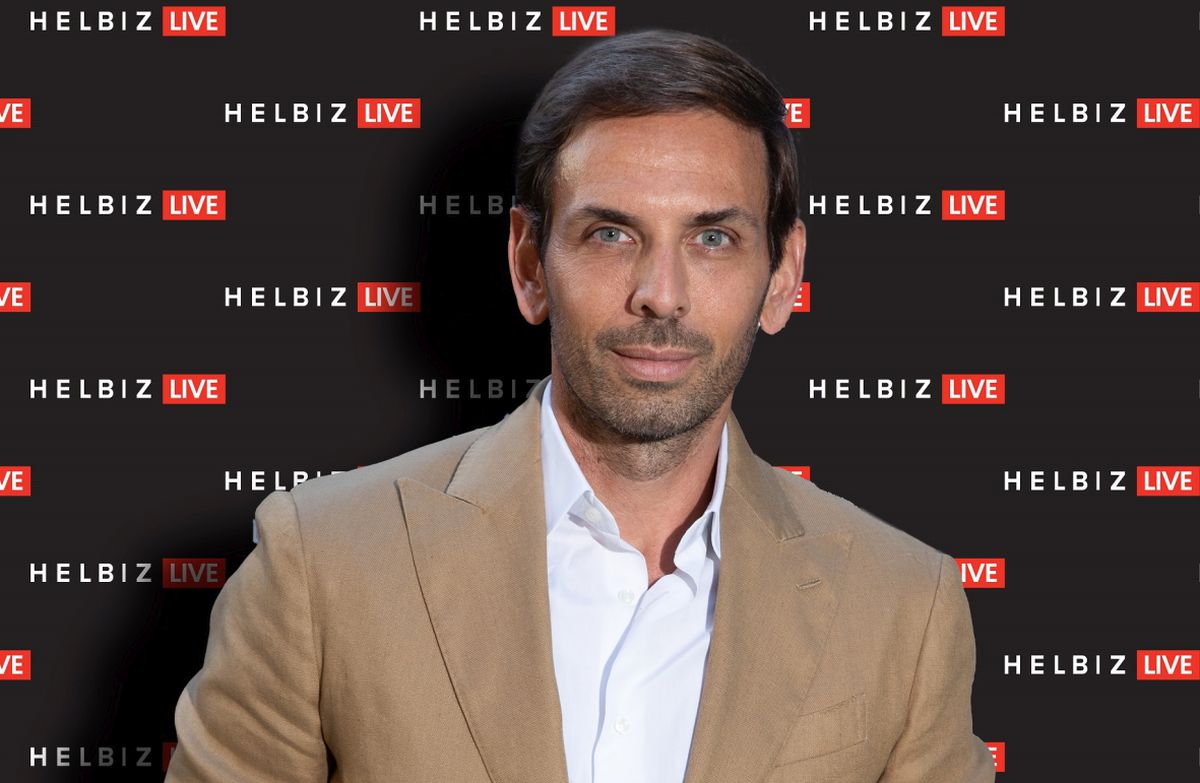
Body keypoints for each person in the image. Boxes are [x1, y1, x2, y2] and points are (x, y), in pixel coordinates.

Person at [166, 28, 995, 783]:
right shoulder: (321, 564)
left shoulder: (903, 606)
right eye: (611, 234)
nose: (661, 294)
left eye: (713, 238)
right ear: (530, 265)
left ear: (782, 276)